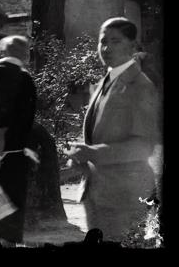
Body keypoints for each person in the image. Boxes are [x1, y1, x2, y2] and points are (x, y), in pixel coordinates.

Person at [66, 17, 160, 242]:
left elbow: (143, 147)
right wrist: (80, 157)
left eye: (115, 41)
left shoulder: (140, 85)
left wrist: (93, 153)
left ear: (132, 46)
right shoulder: (106, 80)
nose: (106, 48)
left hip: (126, 196)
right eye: (102, 41)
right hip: (97, 193)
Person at [0, 35, 37, 244]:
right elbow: (26, 118)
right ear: (23, 53)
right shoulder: (24, 78)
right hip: (14, 153)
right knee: (10, 210)